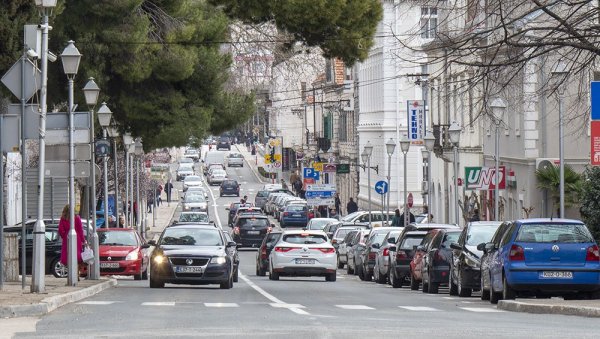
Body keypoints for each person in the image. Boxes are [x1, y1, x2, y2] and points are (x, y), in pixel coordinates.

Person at [58, 204, 86, 280]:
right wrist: (84, 240)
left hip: (67, 240)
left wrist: (64, 236)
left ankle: (71, 274)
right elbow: (80, 230)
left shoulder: (63, 218)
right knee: (76, 257)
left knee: (68, 257)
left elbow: (60, 230)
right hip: (77, 239)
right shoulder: (77, 218)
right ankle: (76, 274)